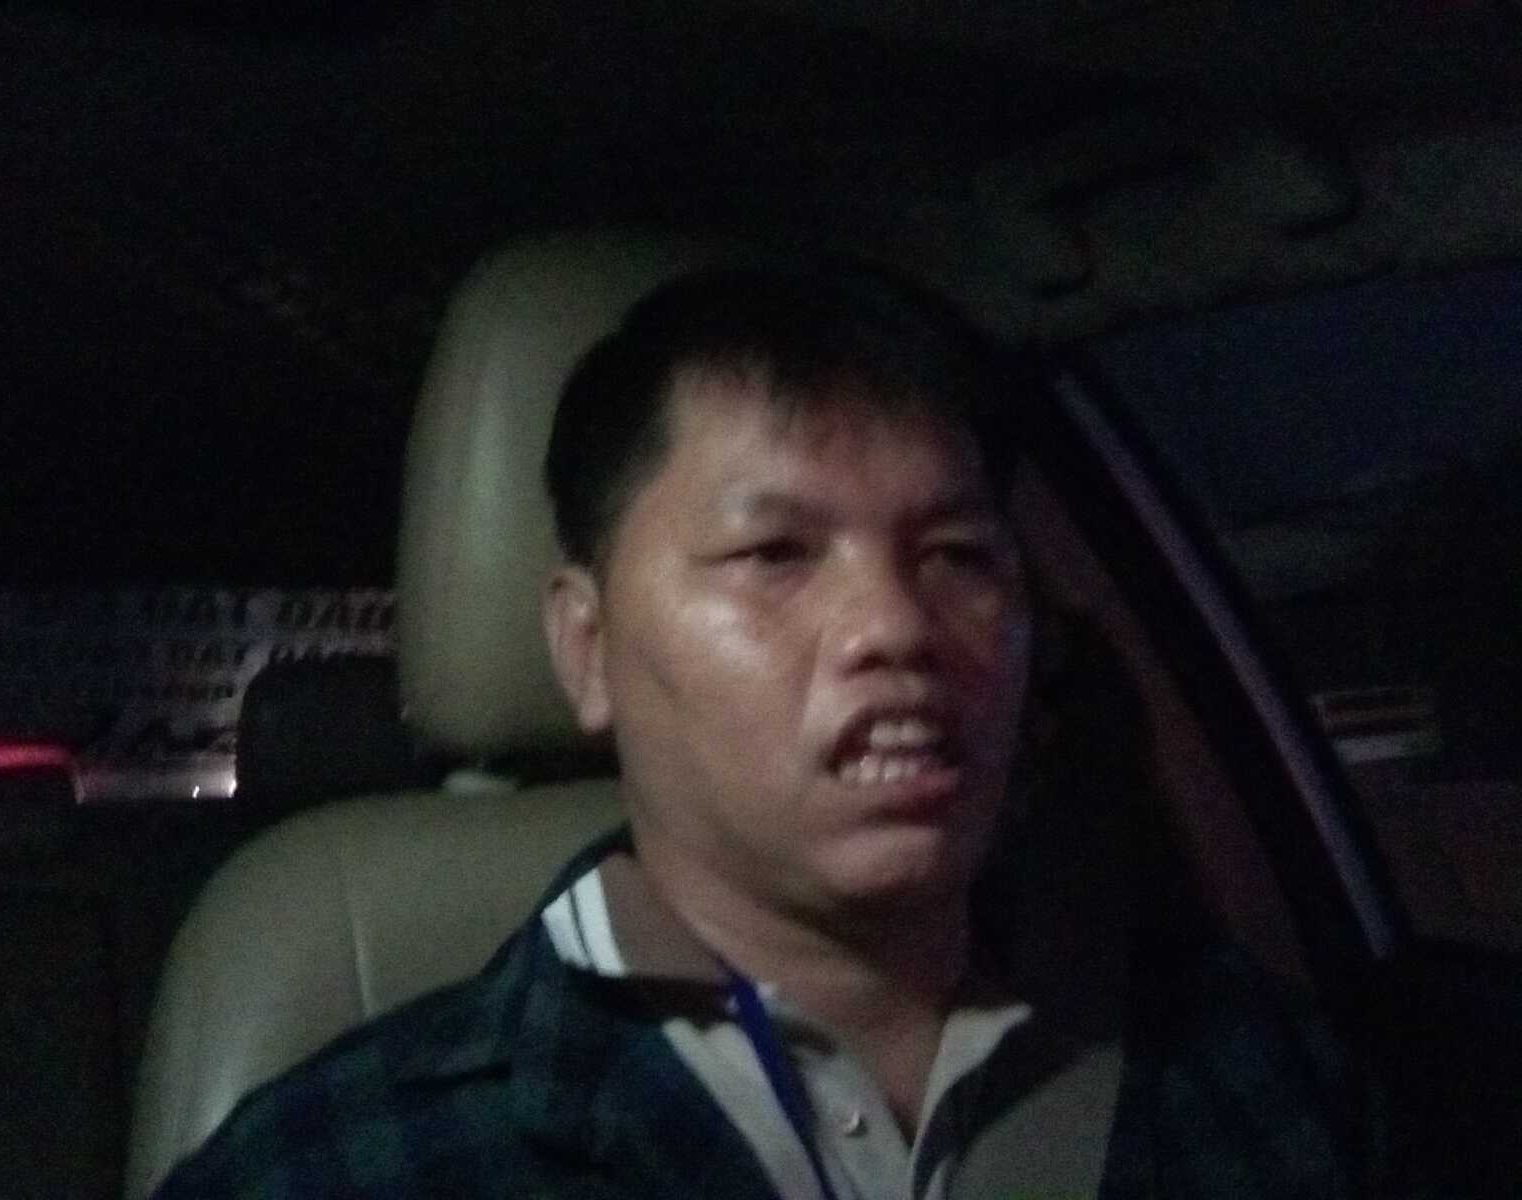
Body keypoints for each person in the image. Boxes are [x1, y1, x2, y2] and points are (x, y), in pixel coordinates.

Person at [152, 264, 1381, 1199]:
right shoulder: (352, 1162)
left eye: (958, 554)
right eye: (775, 554)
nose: (896, 627)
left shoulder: (1236, 1067)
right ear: (587, 648)